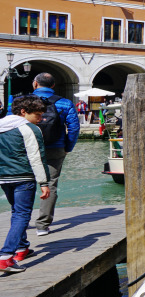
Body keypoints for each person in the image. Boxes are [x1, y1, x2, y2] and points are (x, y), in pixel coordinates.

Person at [0, 96, 51, 275]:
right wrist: (44, 183)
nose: (41, 118)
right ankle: (6, 256)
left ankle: (22, 248)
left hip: (4, 178)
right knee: (22, 215)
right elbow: (37, 158)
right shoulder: (30, 129)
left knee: (16, 211)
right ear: (23, 112)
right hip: (23, 177)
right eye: (37, 115)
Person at [30, 73, 79, 236]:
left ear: (35, 84)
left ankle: (21, 220)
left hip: (28, 148)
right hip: (56, 147)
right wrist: (67, 147)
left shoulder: (23, 101)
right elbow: (74, 128)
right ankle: (42, 225)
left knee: (25, 183)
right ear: (53, 85)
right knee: (50, 184)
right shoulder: (65, 103)